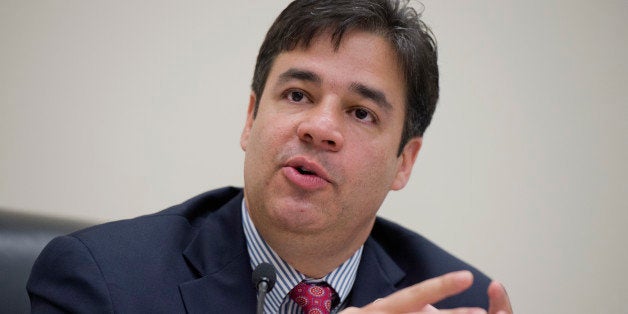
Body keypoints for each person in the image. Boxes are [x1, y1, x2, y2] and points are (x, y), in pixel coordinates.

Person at [28, 0, 513, 313]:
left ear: (404, 162)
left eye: (361, 113)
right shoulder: (103, 284)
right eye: (299, 94)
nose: (320, 128)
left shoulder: (459, 304)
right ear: (252, 116)